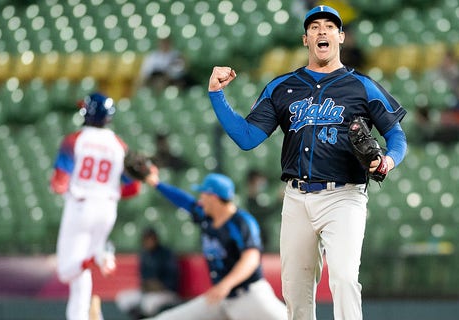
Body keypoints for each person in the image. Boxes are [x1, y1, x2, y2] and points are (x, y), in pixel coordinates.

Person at [206, 5, 408, 319]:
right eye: (315, 27)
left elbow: (396, 134)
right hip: (296, 197)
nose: (322, 31)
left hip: (344, 196)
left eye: (329, 26)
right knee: (296, 293)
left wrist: (389, 161)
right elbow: (247, 138)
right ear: (305, 39)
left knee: (343, 278)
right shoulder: (281, 86)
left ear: (340, 36)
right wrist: (217, 94)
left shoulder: (361, 86)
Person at [141, 167, 287, 320]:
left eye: (203, 194)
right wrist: (157, 184)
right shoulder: (206, 217)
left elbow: (251, 259)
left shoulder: (241, 222)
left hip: (250, 296)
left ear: (213, 197)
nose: (200, 198)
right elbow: (184, 201)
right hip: (221, 298)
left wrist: (226, 284)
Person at [50, 92, 142, 320]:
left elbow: (59, 183)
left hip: (80, 207)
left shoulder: (74, 140)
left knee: (66, 270)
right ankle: (98, 257)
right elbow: (133, 188)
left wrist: (64, 187)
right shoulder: (119, 144)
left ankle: (98, 257)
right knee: (80, 278)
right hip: (107, 208)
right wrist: (107, 192)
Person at [116, 227, 181, 319]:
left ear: (156, 239)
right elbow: (143, 279)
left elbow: (173, 280)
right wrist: (146, 285)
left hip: (167, 292)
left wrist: (160, 285)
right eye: (146, 239)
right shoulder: (145, 255)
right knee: (124, 298)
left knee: (148, 303)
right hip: (148, 293)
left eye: (150, 238)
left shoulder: (166, 254)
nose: (148, 242)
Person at [245, 169, 282, 252]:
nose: (262, 184)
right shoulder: (247, 202)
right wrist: (278, 201)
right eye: (259, 181)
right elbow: (263, 214)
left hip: (262, 240)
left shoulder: (258, 200)